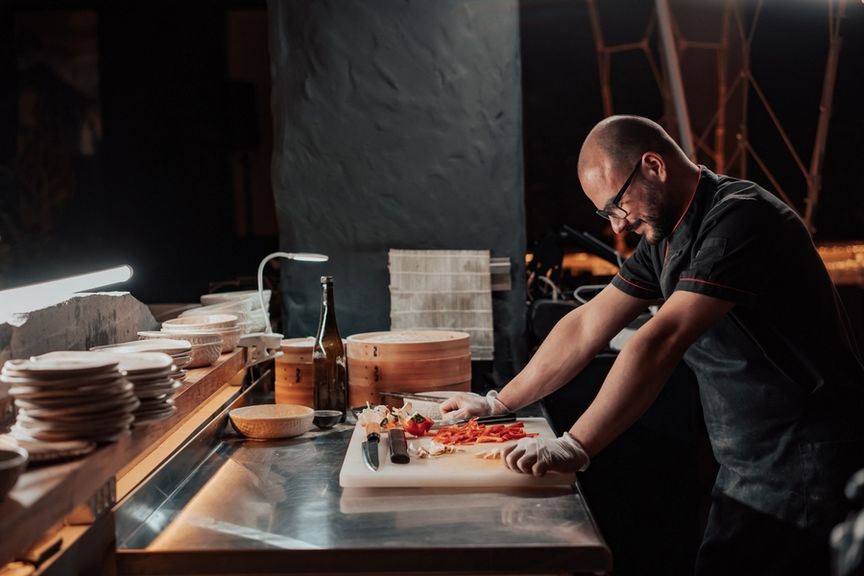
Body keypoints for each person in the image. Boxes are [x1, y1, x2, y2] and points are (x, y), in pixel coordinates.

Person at [441, 115, 864, 575]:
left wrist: (575, 445)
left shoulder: (742, 219)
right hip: (747, 461)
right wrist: (498, 402)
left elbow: (661, 339)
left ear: (653, 166)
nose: (619, 227)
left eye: (618, 207)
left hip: (809, 462)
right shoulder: (666, 235)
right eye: (607, 216)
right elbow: (587, 323)